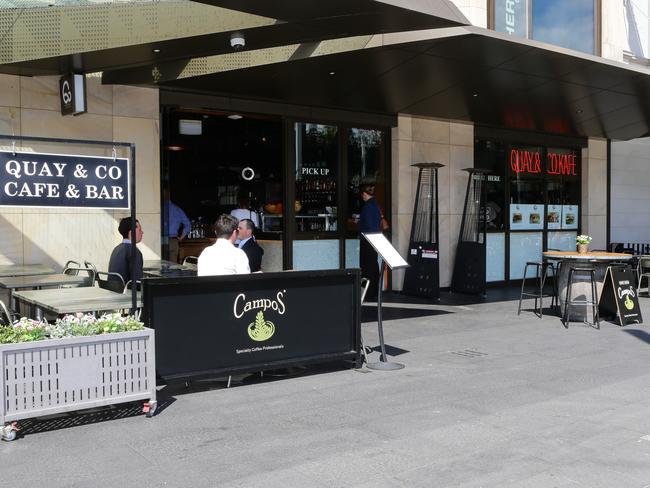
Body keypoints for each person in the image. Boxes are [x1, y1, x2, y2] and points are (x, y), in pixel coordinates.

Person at [358, 184, 382, 299]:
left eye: (362, 194)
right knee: (373, 265)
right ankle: (374, 291)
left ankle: (367, 293)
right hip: (375, 239)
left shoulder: (367, 206)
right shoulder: (376, 205)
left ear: (364, 194)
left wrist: (358, 222)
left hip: (368, 240)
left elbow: (368, 225)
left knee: (366, 267)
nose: (362, 197)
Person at [108, 217, 144, 284]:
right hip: (127, 292)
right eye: (140, 230)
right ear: (131, 232)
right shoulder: (134, 251)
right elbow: (138, 282)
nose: (142, 232)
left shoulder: (116, 249)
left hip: (114, 290)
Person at [163, 190, 191, 263]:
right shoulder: (177, 209)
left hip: (161, 241)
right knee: (173, 267)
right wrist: (181, 237)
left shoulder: (159, 209)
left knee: (162, 266)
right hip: (173, 241)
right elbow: (188, 225)